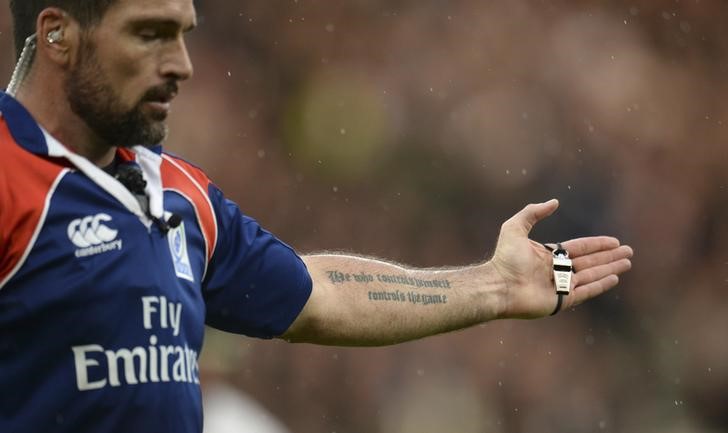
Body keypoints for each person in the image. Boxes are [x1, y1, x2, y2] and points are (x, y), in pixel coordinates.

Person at [0, 0, 633, 432]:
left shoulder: (181, 194)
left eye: (184, 34)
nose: (181, 64)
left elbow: (317, 296)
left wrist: (494, 285)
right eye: (150, 33)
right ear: (58, 33)